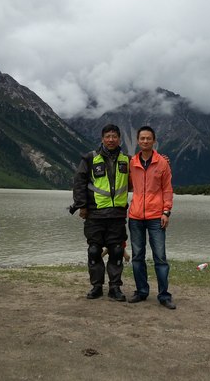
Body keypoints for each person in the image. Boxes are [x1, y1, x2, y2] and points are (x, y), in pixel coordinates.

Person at [72, 124, 130, 302]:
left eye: (114, 136)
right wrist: (82, 206)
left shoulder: (128, 160)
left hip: (117, 215)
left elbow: (145, 169)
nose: (111, 140)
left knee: (117, 251)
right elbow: (79, 182)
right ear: (102, 139)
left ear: (119, 139)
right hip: (95, 214)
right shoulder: (90, 158)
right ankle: (96, 286)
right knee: (94, 250)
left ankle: (115, 288)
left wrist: (163, 159)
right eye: (108, 136)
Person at [127, 125, 176, 309]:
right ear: (138, 141)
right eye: (142, 138)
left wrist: (166, 211)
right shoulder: (132, 163)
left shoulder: (162, 163)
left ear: (154, 141)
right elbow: (128, 185)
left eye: (149, 138)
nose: (145, 141)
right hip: (135, 216)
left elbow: (167, 189)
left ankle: (164, 295)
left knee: (160, 257)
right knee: (137, 256)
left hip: (156, 216)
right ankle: (141, 291)